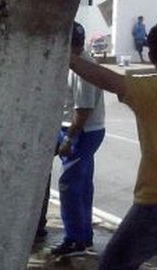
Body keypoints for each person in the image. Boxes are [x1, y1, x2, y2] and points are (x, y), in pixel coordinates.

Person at [62, 19, 157, 270]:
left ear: (153, 55)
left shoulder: (154, 92)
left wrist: (68, 58)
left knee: (114, 263)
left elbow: (109, 80)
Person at [50, 22, 106, 257]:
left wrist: (69, 140)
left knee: (69, 185)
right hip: (82, 130)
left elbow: (82, 110)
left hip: (82, 132)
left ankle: (74, 239)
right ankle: (84, 237)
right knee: (82, 185)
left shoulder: (82, 67)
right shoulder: (76, 62)